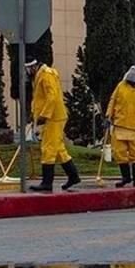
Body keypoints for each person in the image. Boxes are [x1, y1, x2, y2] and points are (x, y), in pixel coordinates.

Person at [27, 58, 81, 192]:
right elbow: (40, 98)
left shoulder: (46, 75)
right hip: (53, 116)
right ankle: (73, 176)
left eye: (28, 69)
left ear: (34, 66)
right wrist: (34, 113)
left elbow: (52, 96)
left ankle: (47, 182)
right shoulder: (41, 75)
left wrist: (44, 115)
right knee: (58, 149)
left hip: (53, 117)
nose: (28, 72)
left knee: (48, 148)